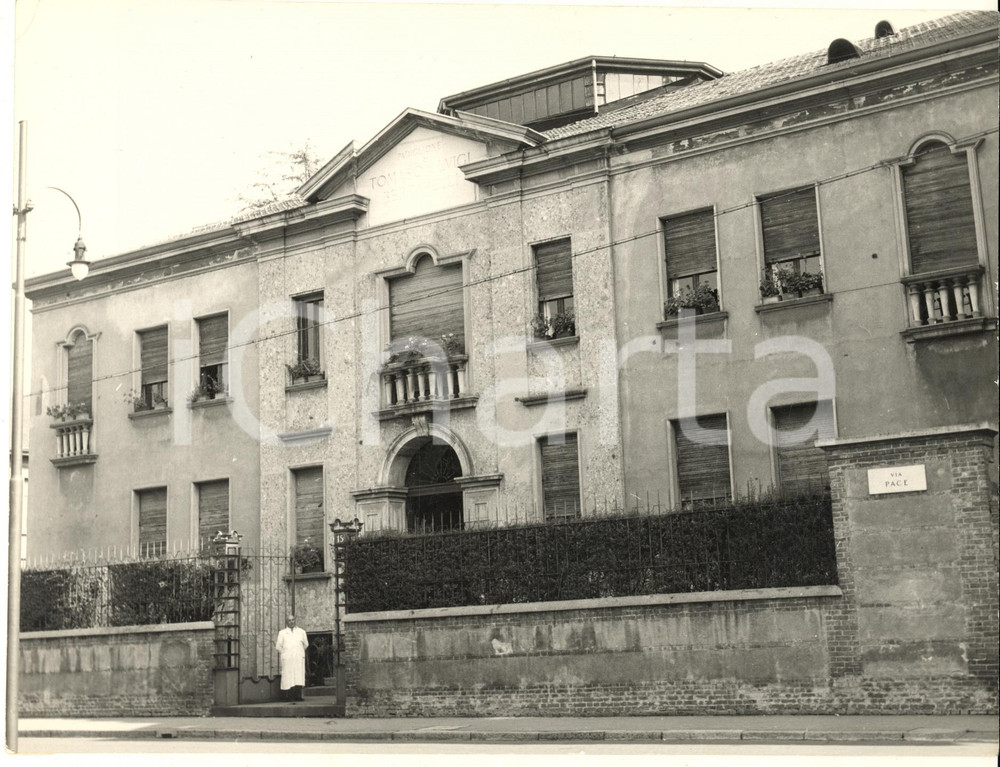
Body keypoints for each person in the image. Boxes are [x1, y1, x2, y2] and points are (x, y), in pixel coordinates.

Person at [275, 615, 309, 702]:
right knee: (288, 676)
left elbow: (306, 644)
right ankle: (288, 696)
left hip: (298, 658)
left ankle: (298, 696)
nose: (291, 622)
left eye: (293, 620)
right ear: (286, 622)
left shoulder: (301, 632)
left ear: (295, 620)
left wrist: (298, 652)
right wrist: (286, 653)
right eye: (289, 620)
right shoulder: (282, 633)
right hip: (288, 659)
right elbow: (278, 646)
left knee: (298, 676)